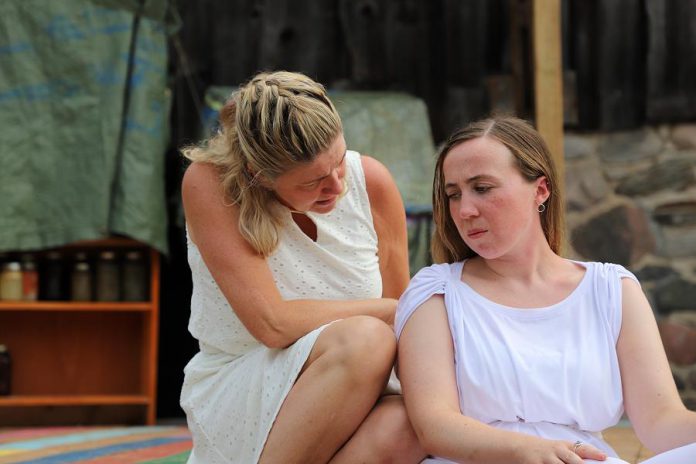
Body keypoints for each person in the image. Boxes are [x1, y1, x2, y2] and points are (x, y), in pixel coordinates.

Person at [395, 116, 696, 464]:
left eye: (482, 188)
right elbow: (435, 425)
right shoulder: (437, 293)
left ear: (540, 190)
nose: (465, 210)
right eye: (453, 194)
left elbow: (660, 422)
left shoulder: (612, 289)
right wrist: (530, 452)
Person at [179, 70, 424, 464]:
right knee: (367, 340)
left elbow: (405, 317)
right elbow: (272, 324)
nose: (337, 186)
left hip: (357, 390)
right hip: (245, 384)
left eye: (339, 161)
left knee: (408, 425)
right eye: (312, 182)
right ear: (259, 175)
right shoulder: (210, 183)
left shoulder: (372, 181)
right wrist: (386, 311)